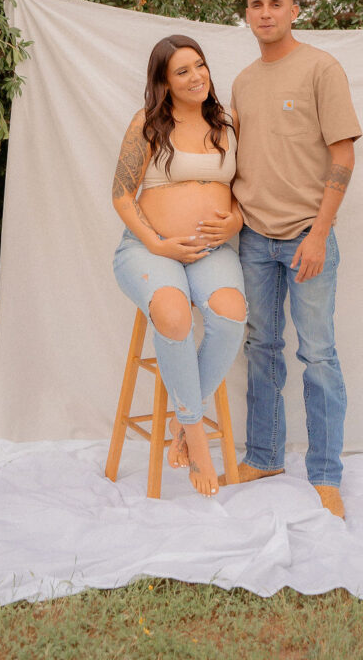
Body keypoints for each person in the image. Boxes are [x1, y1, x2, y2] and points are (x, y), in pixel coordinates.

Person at [201, 0, 362, 518]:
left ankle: (325, 474)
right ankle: (265, 454)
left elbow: (343, 155)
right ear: (246, 15)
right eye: (255, 5)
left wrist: (318, 234)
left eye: (276, 3)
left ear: (295, 10)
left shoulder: (321, 69)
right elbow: (237, 160)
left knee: (317, 355)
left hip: (305, 239)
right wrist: (234, 217)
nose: (265, 12)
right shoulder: (243, 81)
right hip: (253, 241)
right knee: (260, 348)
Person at [112, 34, 247, 498]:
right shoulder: (148, 125)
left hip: (213, 251)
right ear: (164, 84)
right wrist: (159, 243)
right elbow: (121, 196)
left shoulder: (227, 127)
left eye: (200, 66)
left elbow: (246, 194)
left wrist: (236, 221)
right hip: (150, 249)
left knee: (231, 314)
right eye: (182, 71)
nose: (197, 77)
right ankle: (195, 436)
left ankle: (178, 418)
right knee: (174, 314)